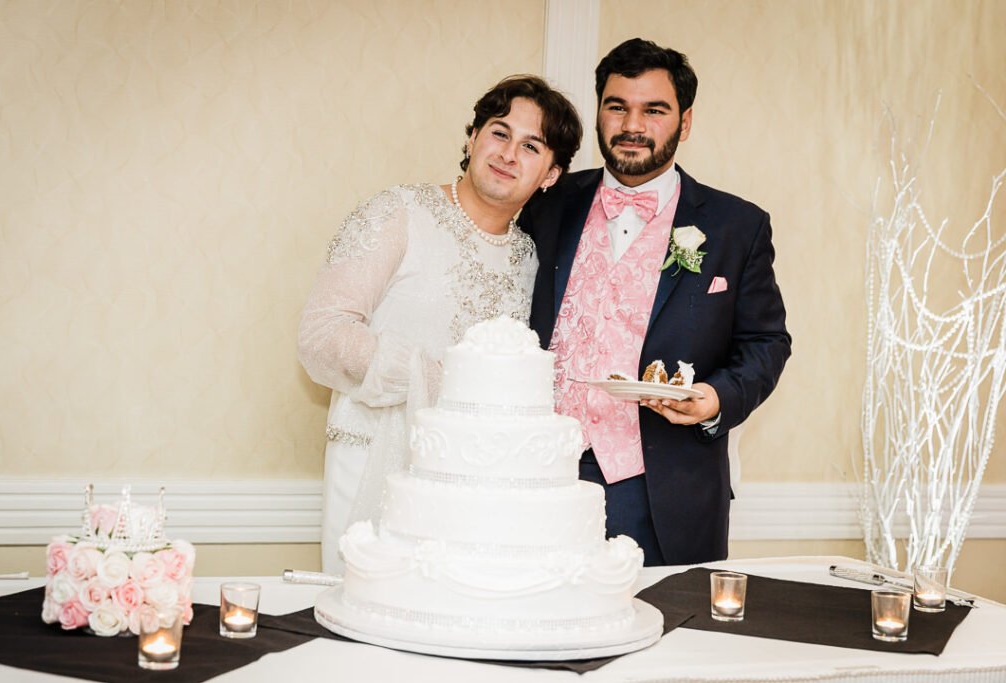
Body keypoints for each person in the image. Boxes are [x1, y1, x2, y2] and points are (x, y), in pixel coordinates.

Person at [519, 39, 791, 566]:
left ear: (684, 123)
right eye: (617, 106)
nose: (631, 125)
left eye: (654, 110)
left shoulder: (737, 226)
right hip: (537, 474)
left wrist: (716, 398)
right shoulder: (547, 204)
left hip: (660, 488)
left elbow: (766, 342)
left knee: (662, 638)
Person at [298, 76, 582, 573]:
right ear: (472, 138)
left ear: (551, 174)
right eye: (499, 132)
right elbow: (321, 335)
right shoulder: (398, 213)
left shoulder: (534, 262)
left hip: (473, 486)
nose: (508, 154)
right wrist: (435, 379)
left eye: (531, 146)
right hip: (372, 465)